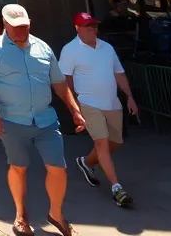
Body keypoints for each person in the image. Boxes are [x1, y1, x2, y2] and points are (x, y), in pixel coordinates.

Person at [0, 5, 86, 236]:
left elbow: (58, 82)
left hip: (46, 119)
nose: (21, 31)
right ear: (5, 25)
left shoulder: (43, 47)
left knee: (58, 168)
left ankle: (56, 214)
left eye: (25, 26)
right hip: (12, 120)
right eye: (16, 27)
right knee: (19, 167)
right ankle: (20, 215)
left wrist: (74, 109)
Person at [58, 12, 139, 207]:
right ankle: (116, 188)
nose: (92, 29)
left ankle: (86, 162)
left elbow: (119, 73)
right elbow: (65, 80)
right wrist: (74, 108)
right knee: (102, 143)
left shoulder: (107, 48)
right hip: (88, 103)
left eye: (94, 25)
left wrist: (129, 97)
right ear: (77, 28)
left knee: (115, 142)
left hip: (112, 103)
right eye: (87, 26)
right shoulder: (70, 50)